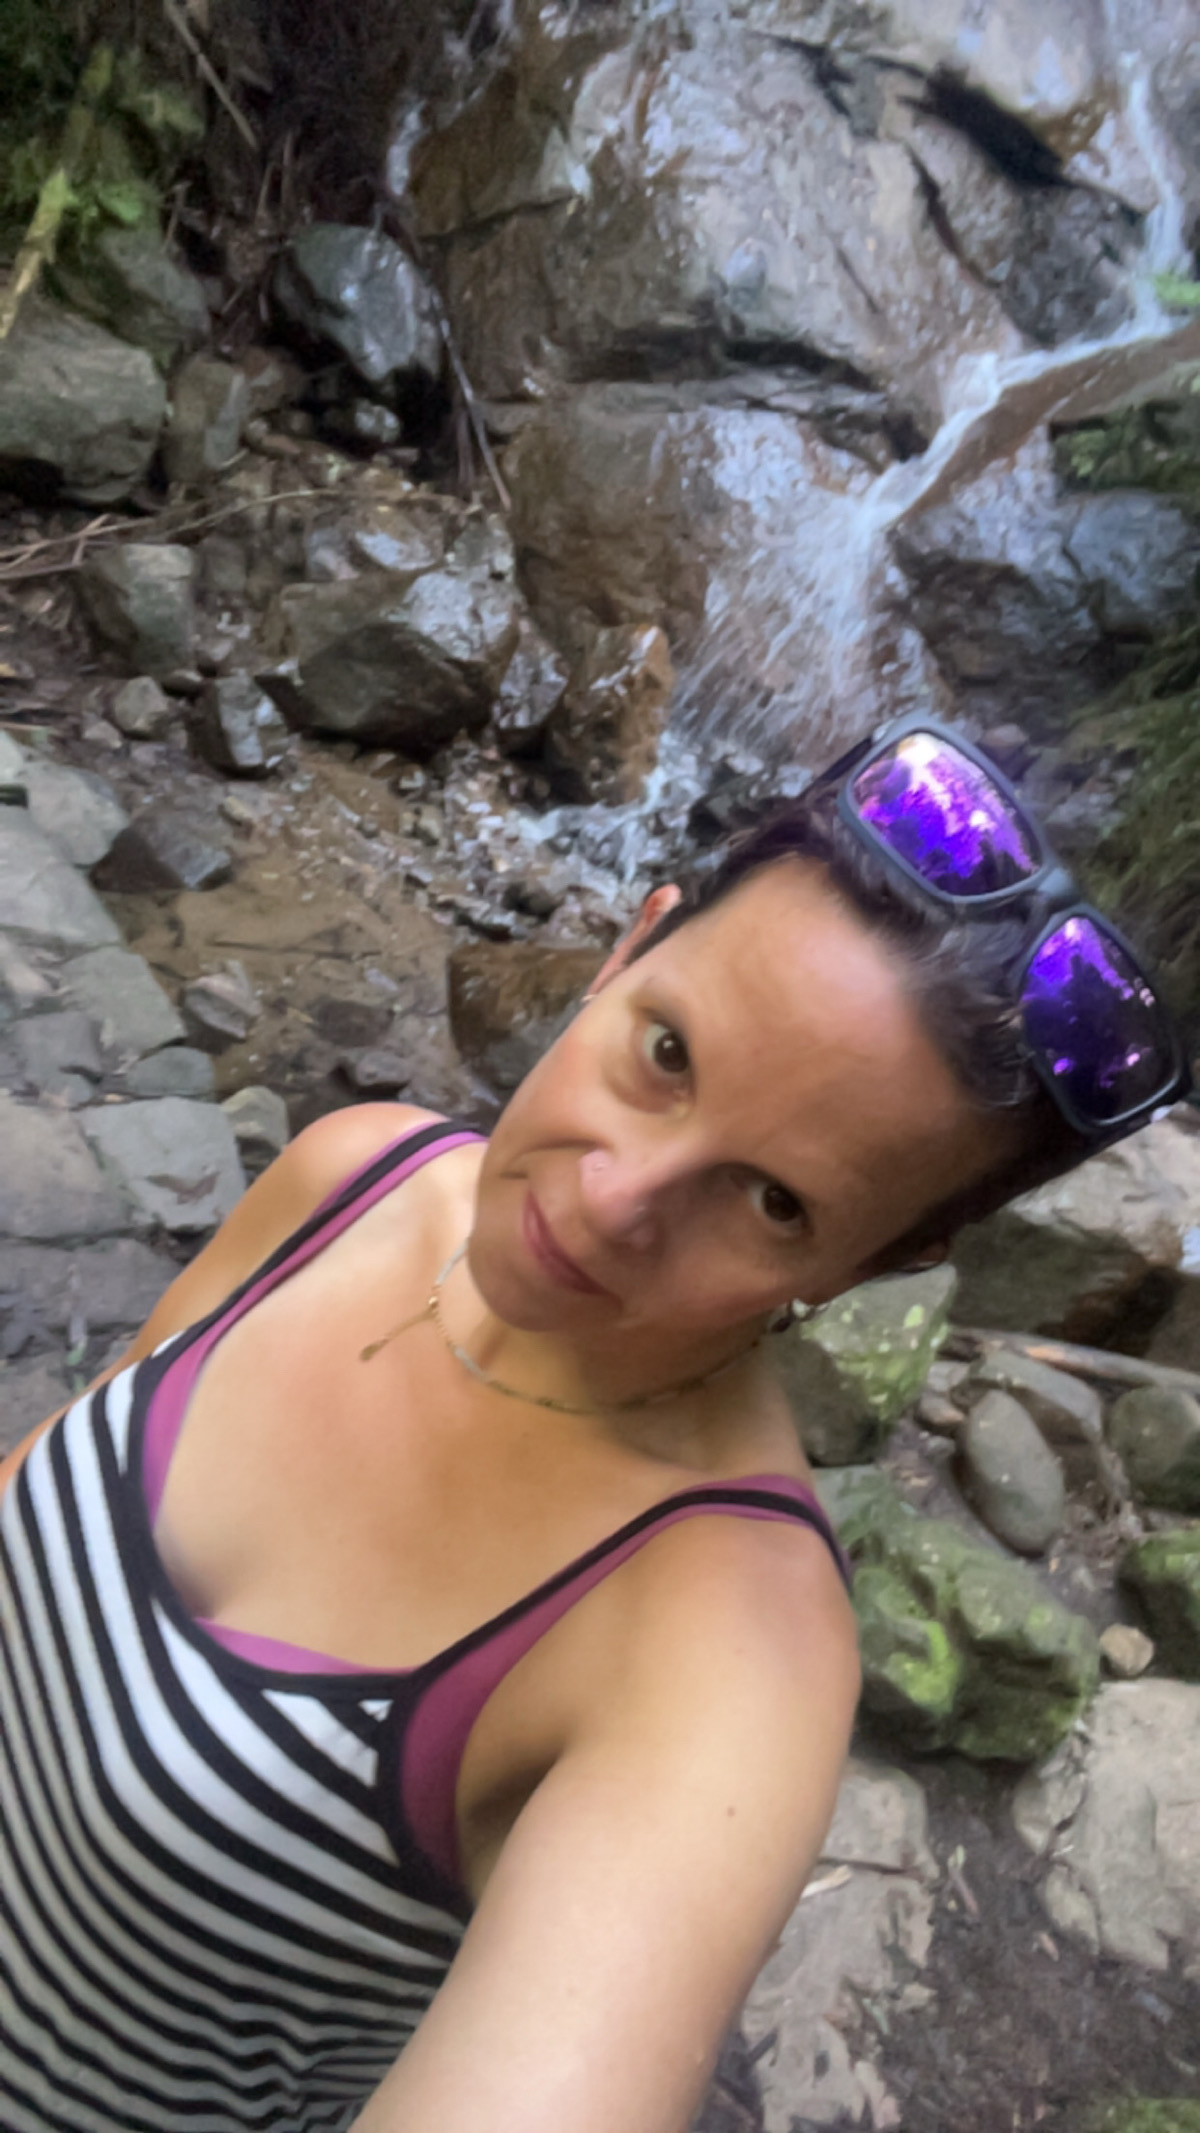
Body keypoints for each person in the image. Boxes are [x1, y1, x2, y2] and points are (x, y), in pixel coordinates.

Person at [1, 715, 1189, 2133]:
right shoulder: (358, 1175)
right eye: (669, 1051)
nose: (615, 1199)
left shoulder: (723, 1656)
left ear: (875, 1266)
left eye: (776, 1200)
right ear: (628, 947)